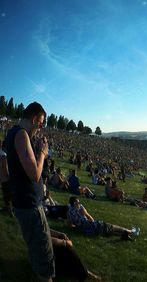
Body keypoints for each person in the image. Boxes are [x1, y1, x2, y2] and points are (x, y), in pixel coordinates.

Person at [5, 102, 55, 281]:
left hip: (25, 202)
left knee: (36, 248)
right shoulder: (20, 135)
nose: (41, 126)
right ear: (34, 119)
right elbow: (34, 174)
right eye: (41, 122)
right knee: (44, 259)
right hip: (30, 206)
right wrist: (42, 152)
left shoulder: (16, 133)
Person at [67, 196, 140, 240]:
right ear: (74, 203)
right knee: (114, 227)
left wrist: (79, 226)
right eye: (78, 202)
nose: (79, 203)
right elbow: (90, 218)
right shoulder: (81, 209)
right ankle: (132, 232)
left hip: (88, 231)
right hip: (95, 226)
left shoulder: (69, 213)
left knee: (111, 232)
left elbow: (70, 225)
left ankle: (126, 235)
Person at [0, 139, 12, 216]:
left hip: (1, 176)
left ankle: (8, 208)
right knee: (7, 193)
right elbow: (5, 167)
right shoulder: (3, 154)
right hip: (4, 177)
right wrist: (8, 175)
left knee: (6, 193)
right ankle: (8, 209)